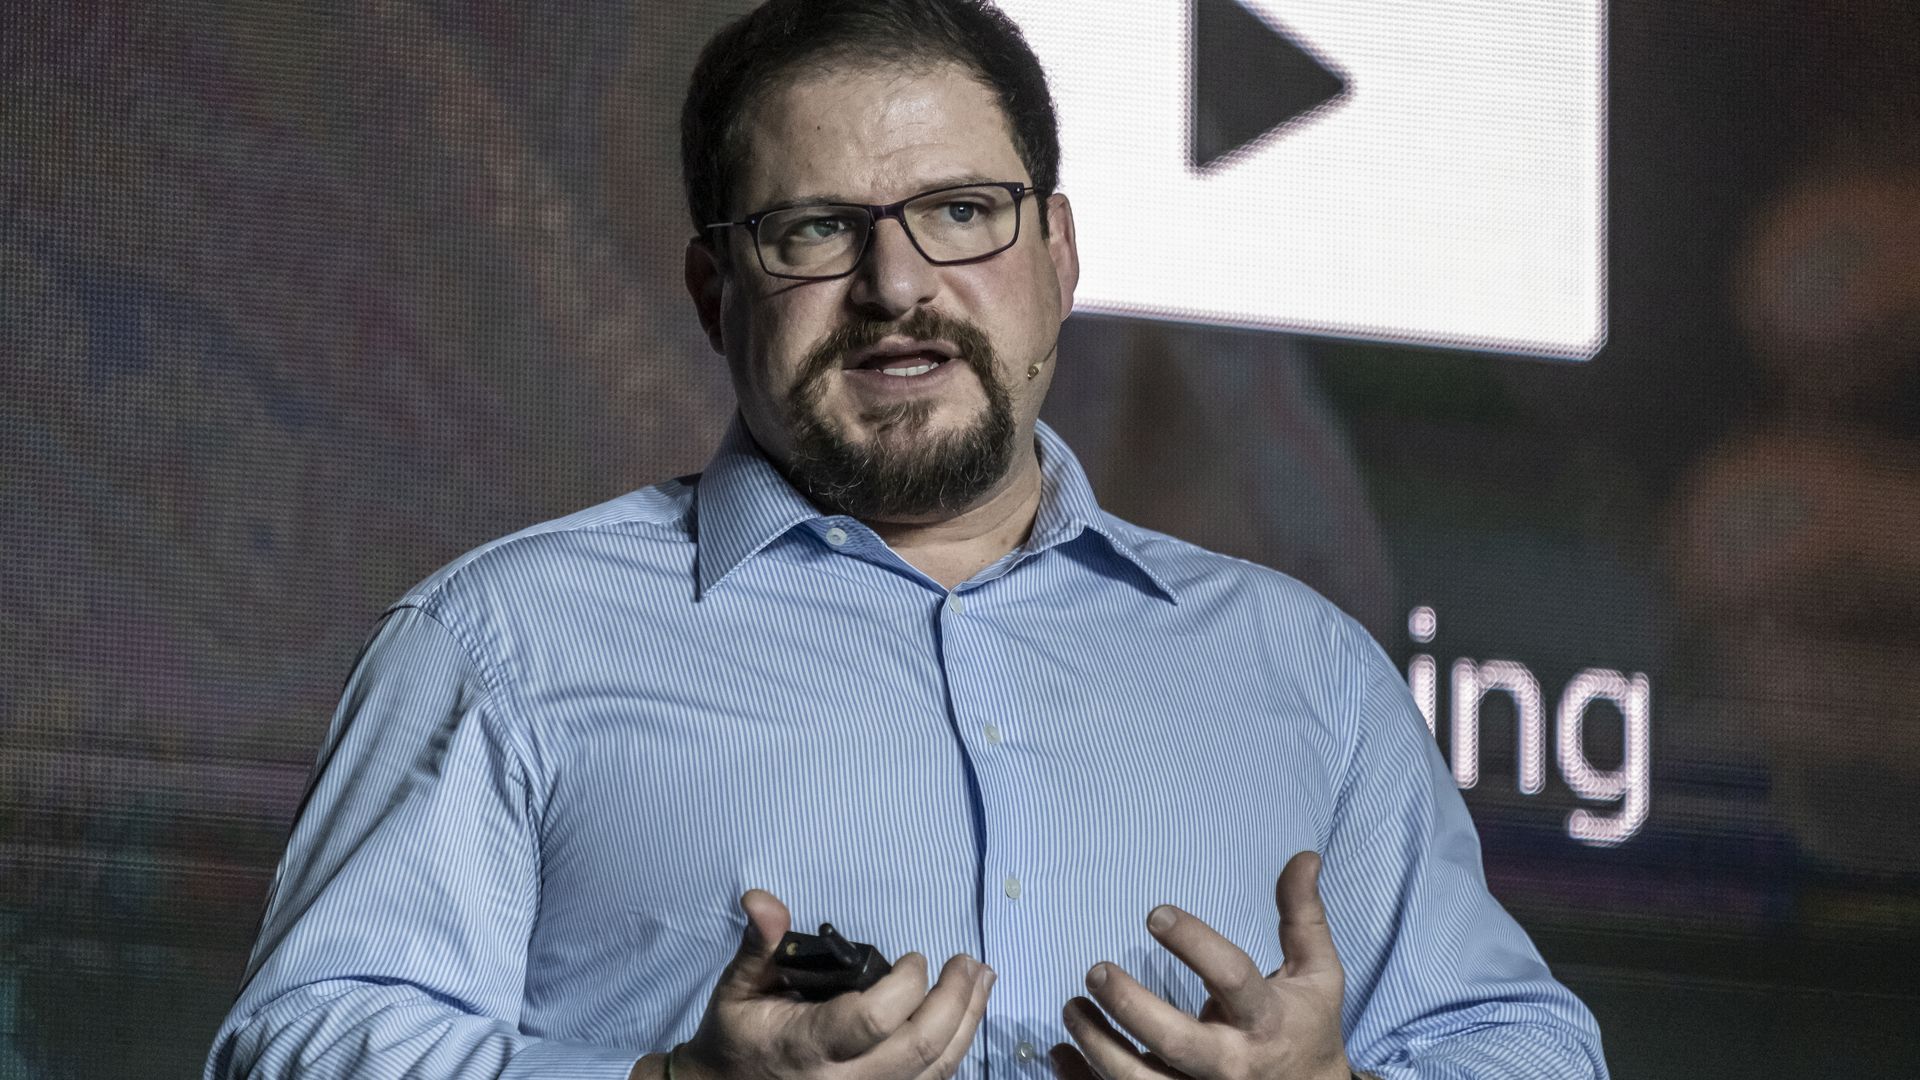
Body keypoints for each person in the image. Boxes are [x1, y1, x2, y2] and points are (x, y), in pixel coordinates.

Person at [205, 1, 1609, 1077]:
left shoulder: (1305, 669)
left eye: (959, 214)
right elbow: (298, 1049)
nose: (898, 288)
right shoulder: (500, 643)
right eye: (817, 230)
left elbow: (1534, 1048)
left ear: (1058, 257)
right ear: (714, 290)